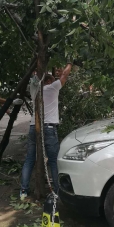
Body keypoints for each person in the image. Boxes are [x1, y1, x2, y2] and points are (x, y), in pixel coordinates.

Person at [20, 63, 72, 199]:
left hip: (33, 126)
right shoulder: (52, 87)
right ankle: (57, 191)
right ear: (48, 81)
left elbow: (34, 78)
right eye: (53, 79)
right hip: (49, 128)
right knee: (54, 161)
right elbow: (65, 75)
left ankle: (23, 191)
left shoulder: (34, 90)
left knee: (30, 159)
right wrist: (70, 63)